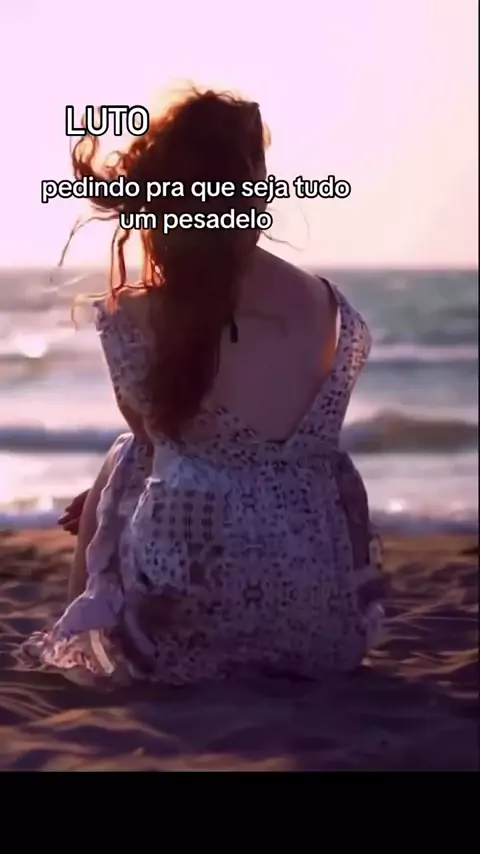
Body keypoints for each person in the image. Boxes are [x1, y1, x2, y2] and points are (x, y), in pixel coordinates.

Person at [24, 88, 385, 685]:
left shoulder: (134, 314)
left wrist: (108, 503)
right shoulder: (329, 307)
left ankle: (83, 638)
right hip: (320, 632)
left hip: (183, 636)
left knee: (127, 457)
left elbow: (155, 441)